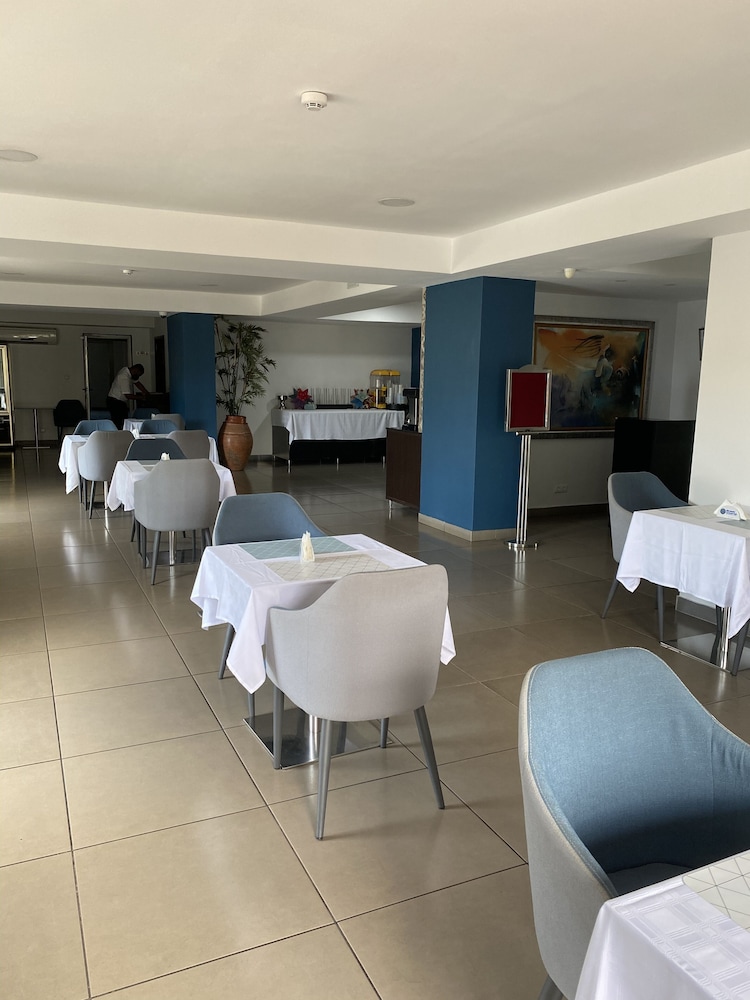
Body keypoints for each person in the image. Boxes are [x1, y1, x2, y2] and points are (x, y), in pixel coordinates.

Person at [106, 363, 149, 429]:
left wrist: (146, 392)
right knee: (119, 423)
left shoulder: (127, 370)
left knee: (123, 421)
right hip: (115, 402)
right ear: (135, 370)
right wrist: (142, 398)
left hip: (118, 401)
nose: (138, 377)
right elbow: (128, 396)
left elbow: (137, 383)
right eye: (138, 375)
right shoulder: (124, 377)